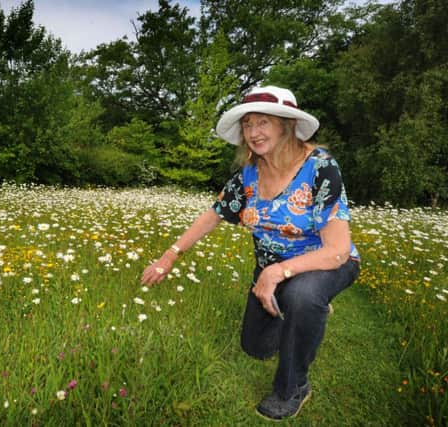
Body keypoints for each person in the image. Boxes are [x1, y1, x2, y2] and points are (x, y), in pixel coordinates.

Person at [141, 85, 360, 421]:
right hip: (271, 267)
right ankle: (305, 309)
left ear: (286, 125)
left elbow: (338, 251)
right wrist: (170, 254)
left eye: (263, 122)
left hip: (324, 263)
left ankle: (293, 387)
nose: (254, 133)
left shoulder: (320, 168)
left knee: (303, 294)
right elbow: (213, 214)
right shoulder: (249, 174)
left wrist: (275, 273)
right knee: (255, 347)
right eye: (247, 125)